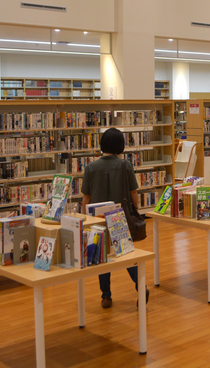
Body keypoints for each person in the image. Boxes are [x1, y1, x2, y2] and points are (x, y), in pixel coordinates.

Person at [82, 128, 149, 308]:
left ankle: (106, 295)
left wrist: (84, 218)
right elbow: (134, 191)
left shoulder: (90, 167)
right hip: (119, 216)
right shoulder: (124, 165)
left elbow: (86, 197)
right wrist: (136, 208)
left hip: (98, 218)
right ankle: (140, 286)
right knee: (125, 252)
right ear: (120, 145)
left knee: (101, 256)